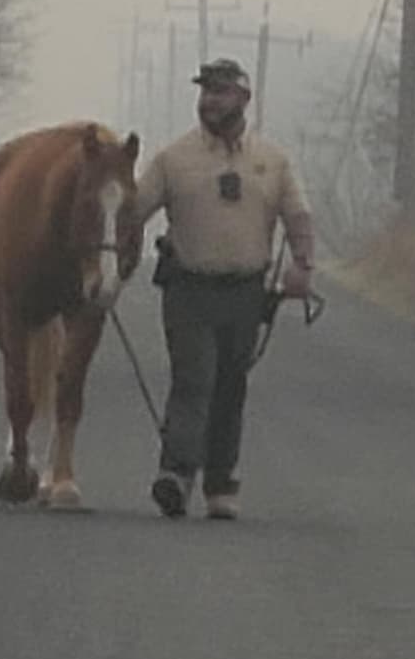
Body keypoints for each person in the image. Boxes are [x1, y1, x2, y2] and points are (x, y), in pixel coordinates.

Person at [134, 56, 317, 521]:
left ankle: (220, 481)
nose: (210, 101)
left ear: (244, 99)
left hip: (246, 290)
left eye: (220, 92)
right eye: (205, 92)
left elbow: (297, 215)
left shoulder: (272, 161)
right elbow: (130, 212)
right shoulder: (172, 160)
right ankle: (175, 474)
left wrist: (302, 264)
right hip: (189, 287)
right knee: (194, 378)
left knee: (230, 384)